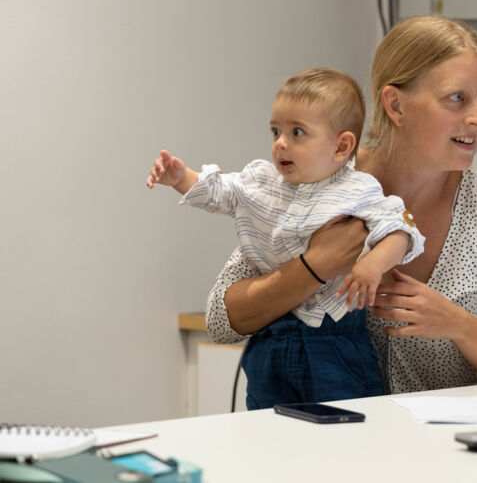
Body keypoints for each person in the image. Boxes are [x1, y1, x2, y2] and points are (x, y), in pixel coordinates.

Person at [206, 16, 477, 398]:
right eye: (457, 98)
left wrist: (456, 324)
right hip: (331, 439)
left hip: (445, 446)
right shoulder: (317, 183)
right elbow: (221, 320)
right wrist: (314, 266)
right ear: (395, 105)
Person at [146, 67, 425, 409]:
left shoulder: (358, 189)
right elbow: (222, 191)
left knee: (348, 431)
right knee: (267, 429)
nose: (280, 143)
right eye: (276, 130)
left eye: (297, 132)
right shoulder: (262, 181)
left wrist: (372, 264)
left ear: (341, 146)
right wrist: (181, 177)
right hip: (271, 337)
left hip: (335, 342)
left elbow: (399, 229)